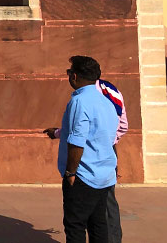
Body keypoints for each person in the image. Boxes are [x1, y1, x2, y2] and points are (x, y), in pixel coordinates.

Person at [45, 79, 127, 242]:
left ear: (77, 75)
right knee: (99, 219)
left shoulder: (85, 97)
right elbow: (82, 129)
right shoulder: (107, 94)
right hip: (105, 160)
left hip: (87, 164)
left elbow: (79, 137)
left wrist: (70, 172)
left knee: (79, 222)